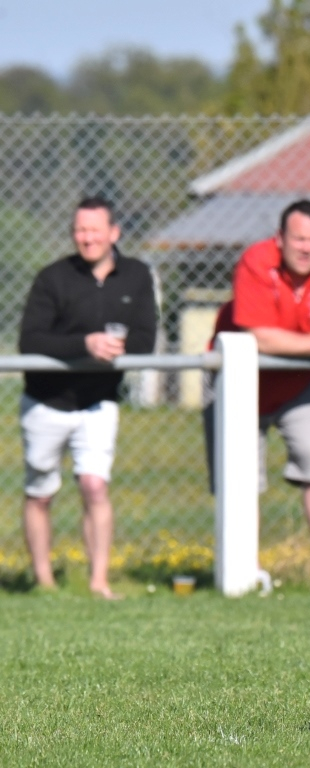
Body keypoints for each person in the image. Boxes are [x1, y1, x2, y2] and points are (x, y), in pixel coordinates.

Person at [204, 199, 310, 593]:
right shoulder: (255, 261)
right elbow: (258, 337)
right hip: (240, 380)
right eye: (298, 239)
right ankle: (245, 573)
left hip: (302, 382)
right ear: (280, 239)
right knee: (239, 476)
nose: (306, 248)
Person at [18, 196, 157, 599]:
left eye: (95, 230)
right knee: (41, 493)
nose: (87, 238)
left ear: (114, 233)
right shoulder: (53, 278)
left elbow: (146, 340)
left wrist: (117, 347)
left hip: (99, 402)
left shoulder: (137, 276)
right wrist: (85, 345)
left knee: (95, 486)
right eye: (80, 230)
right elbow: (31, 340)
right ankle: (44, 583)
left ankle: (99, 582)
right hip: (47, 400)